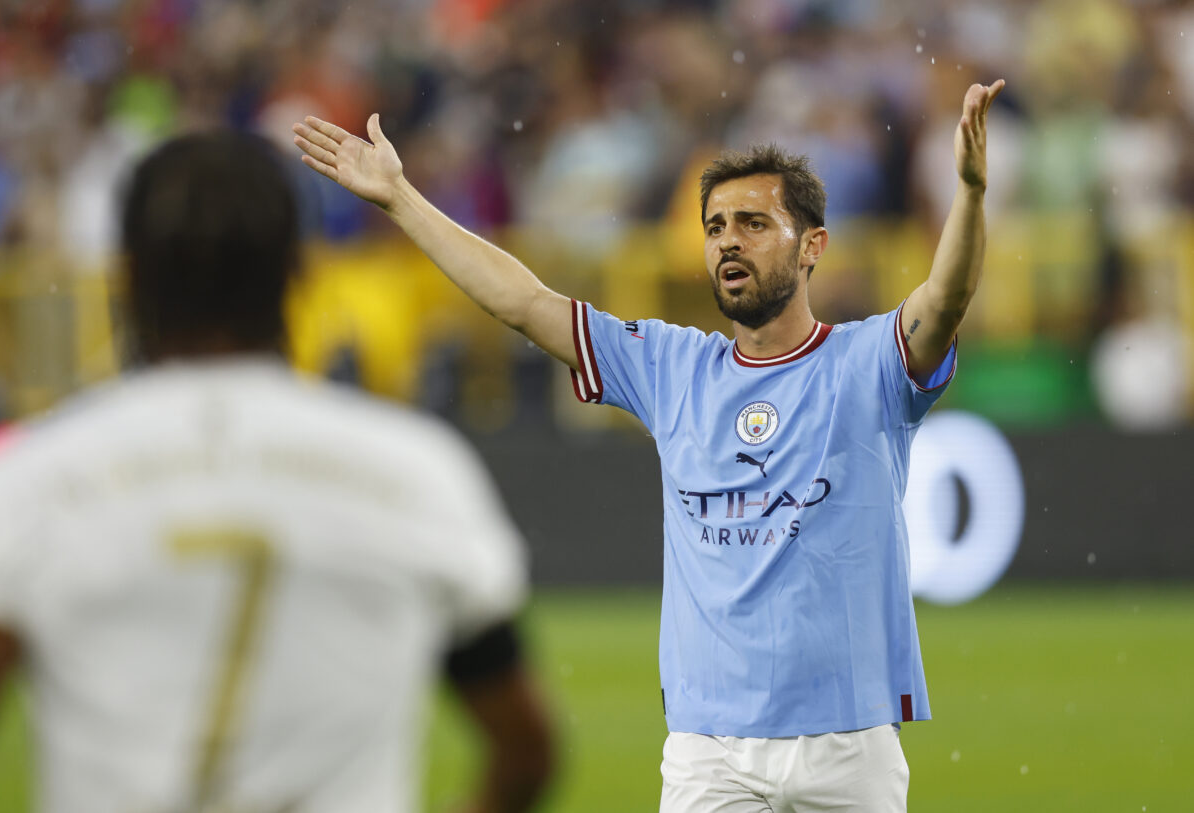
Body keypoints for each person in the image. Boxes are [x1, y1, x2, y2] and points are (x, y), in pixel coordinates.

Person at [293, 77, 1005, 812]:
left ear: (812, 245)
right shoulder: (672, 365)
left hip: (846, 744)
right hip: (709, 751)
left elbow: (944, 301)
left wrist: (971, 193)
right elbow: (525, 302)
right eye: (716, 225)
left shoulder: (867, 366)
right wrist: (401, 199)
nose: (729, 239)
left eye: (755, 223)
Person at [0, 132, 555, 813]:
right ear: (298, 273)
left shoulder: (31, 478)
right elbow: (525, 751)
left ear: (123, 278)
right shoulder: (416, 471)